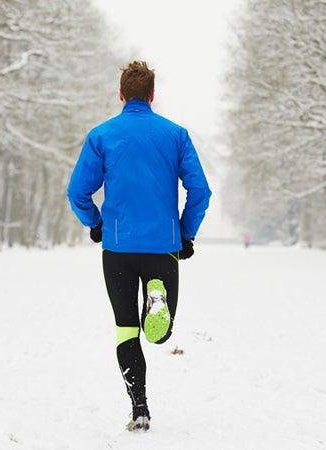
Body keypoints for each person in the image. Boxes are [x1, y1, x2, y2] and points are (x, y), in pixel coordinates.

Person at [67, 61, 211, 432]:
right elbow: (200, 190)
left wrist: (95, 223)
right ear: (152, 95)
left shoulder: (102, 135)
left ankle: (140, 407)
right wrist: (185, 232)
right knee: (159, 333)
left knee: (126, 330)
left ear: (121, 94)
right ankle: (157, 299)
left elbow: (77, 191)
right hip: (163, 247)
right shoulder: (175, 135)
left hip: (118, 248)